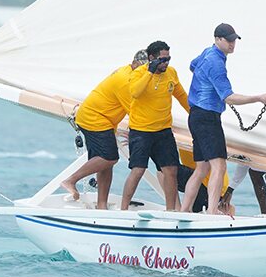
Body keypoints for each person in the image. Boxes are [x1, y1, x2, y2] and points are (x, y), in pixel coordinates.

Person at [180, 23, 266, 215]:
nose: (232, 44)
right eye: (228, 40)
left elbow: (192, 65)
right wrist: (258, 98)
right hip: (207, 118)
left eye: (234, 40)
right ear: (218, 39)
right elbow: (229, 97)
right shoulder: (215, 63)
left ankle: (184, 210)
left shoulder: (208, 53)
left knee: (202, 168)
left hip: (196, 115)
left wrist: (204, 84)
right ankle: (212, 212)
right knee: (219, 165)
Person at [60, 49, 149, 208]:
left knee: (105, 162)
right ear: (135, 64)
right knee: (109, 157)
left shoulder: (129, 72)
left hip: (100, 119)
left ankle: (102, 204)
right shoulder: (126, 79)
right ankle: (70, 180)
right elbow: (135, 110)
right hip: (94, 118)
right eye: (143, 68)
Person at [120, 41, 190, 211]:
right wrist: (150, 72)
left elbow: (181, 96)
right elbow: (135, 92)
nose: (165, 63)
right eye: (161, 60)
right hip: (141, 131)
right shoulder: (139, 74)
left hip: (163, 131)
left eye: (168, 59)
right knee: (138, 170)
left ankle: (170, 210)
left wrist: (194, 114)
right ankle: (123, 209)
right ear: (151, 58)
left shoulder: (171, 73)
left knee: (171, 170)